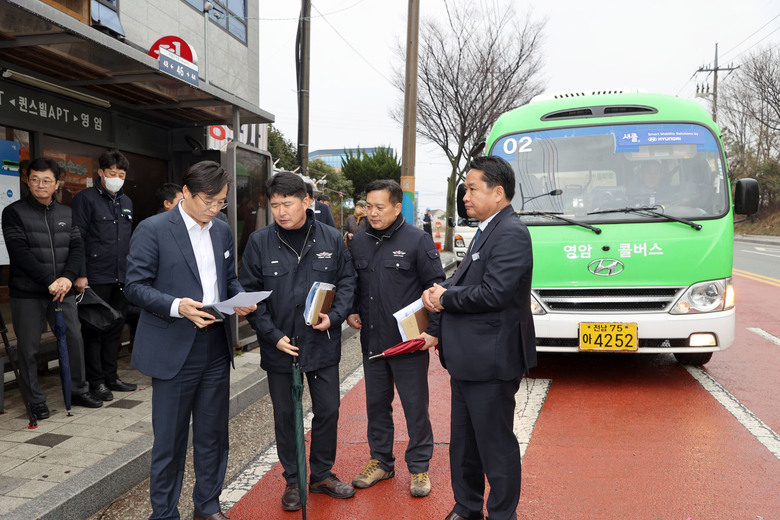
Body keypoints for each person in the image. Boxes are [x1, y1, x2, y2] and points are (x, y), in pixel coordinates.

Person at [125, 161, 256, 520]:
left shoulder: (222, 231)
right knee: (169, 442)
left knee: (213, 435)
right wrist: (175, 305)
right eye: (208, 201)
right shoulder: (153, 229)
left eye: (221, 203)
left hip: (215, 345)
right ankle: (164, 514)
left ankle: (207, 507)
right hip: (173, 347)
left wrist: (241, 298)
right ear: (185, 193)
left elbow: (230, 280)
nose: (214, 209)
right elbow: (134, 287)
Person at [423, 156, 536, 520]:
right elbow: (469, 282)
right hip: (470, 360)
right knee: (465, 445)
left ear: (498, 192)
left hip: (490, 361)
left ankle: (502, 514)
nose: (465, 197)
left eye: (472, 189)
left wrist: (446, 297)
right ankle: (467, 507)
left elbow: (495, 293)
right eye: (465, 189)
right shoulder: (489, 229)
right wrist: (443, 290)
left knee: (496, 446)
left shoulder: (511, 233)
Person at [240, 172, 357, 512]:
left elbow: (347, 283)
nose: (280, 211)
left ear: (307, 201)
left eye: (287, 203)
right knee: (285, 415)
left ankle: (320, 474)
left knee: (329, 410)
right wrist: (272, 336)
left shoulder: (332, 239)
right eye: (274, 205)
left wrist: (333, 318)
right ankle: (294, 479)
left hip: (321, 342)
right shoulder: (259, 242)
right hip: (280, 346)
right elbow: (251, 296)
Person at [347, 180, 444, 497]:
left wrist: (433, 332)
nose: (371, 213)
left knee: (415, 408)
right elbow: (353, 283)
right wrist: (350, 310)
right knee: (376, 407)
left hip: (409, 343)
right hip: (373, 343)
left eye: (379, 207)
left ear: (397, 206)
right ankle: (381, 462)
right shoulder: (359, 241)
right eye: (368, 206)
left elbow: (436, 289)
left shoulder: (418, 240)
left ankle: (419, 469)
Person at [2, 158, 104, 418]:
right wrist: (49, 280)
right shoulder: (13, 212)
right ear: (27, 180)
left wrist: (68, 278)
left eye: (46, 180)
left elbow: (77, 248)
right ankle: (35, 399)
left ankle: (78, 390)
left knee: (73, 339)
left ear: (57, 183)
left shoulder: (67, 214)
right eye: (35, 179)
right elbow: (20, 253)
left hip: (63, 291)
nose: (40, 185)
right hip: (28, 293)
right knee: (28, 348)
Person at [71, 149, 136, 402]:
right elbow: (78, 239)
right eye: (112, 173)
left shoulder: (127, 201)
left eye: (121, 174)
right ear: (100, 173)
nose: (117, 178)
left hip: (121, 275)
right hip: (95, 276)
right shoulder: (85, 199)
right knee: (94, 330)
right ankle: (95, 381)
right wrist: (80, 274)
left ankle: (112, 377)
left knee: (115, 327)